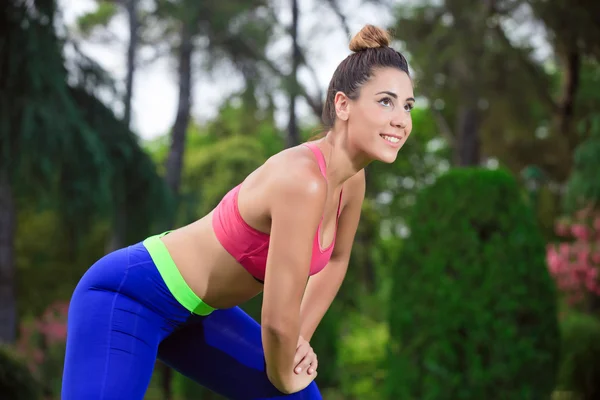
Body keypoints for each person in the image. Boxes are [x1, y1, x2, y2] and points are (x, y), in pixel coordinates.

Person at [61, 23, 414, 400]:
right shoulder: (303, 180)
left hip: (198, 316)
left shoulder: (352, 182)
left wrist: (298, 343)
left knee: (301, 396)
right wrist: (283, 372)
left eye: (408, 106)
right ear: (343, 104)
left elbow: (335, 261)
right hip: (130, 296)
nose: (401, 119)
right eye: (385, 101)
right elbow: (276, 321)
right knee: (290, 389)